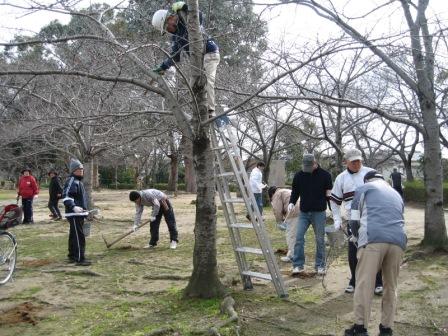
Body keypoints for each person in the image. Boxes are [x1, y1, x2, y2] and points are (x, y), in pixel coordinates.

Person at [344, 171, 407, 336]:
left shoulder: (363, 189)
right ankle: (386, 328)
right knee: (391, 286)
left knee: (365, 284)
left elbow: (353, 220)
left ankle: (360, 328)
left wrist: (356, 237)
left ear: (367, 180)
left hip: (373, 238)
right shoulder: (396, 194)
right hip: (398, 240)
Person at [330, 148, 383, 295]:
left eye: (358, 161)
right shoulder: (341, 178)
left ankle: (378, 281)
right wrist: (336, 219)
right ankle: (354, 280)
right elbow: (334, 201)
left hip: (371, 217)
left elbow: (383, 193)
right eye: (353, 161)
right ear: (346, 162)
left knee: (374, 250)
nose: (356, 164)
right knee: (353, 252)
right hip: (351, 219)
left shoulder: (371, 173)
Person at [152, 1, 220, 116]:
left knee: (209, 80)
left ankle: (211, 110)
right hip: (197, 61)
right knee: (193, 86)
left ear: (170, 19)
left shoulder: (185, 19)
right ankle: (199, 114)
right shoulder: (176, 37)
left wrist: (185, 7)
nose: (168, 30)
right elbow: (175, 57)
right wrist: (162, 67)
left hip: (210, 53)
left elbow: (198, 16)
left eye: (166, 27)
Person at [288, 153, 333, 275]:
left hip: (319, 212)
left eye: (309, 166)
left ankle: (320, 265)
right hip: (303, 212)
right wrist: (291, 202)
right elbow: (295, 191)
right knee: (298, 237)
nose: (307, 169)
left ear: (315, 163)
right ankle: (298, 265)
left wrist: (332, 210)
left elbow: (329, 195)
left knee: (320, 239)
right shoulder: (299, 175)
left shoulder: (325, 175)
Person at [62, 159, 91, 266]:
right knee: (79, 236)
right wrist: (73, 207)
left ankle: (72, 255)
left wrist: (85, 210)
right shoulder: (71, 181)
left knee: (74, 235)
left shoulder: (78, 182)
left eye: (82, 168)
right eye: (79, 169)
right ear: (74, 170)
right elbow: (66, 196)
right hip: (74, 214)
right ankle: (80, 258)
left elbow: (80, 199)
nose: (82, 170)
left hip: (79, 214)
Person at [268, 186, 300, 262]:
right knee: (298, 235)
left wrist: (279, 222)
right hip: (303, 210)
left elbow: (277, 209)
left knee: (291, 235)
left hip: (294, 212)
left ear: (272, 193)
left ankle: (292, 256)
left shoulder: (276, 194)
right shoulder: (286, 190)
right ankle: (297, 254)